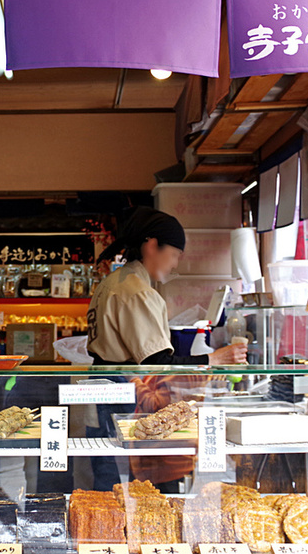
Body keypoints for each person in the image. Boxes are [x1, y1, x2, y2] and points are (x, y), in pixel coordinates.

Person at [85, 206, 247, 490]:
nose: (174, 264)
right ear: (151, 246)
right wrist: (213, 358)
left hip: (105, 386)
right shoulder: (138, 291)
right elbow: (159, 363)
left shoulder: (112, 283)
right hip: (122, 394)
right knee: (127, 483)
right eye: (173, 255)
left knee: (107, 473)